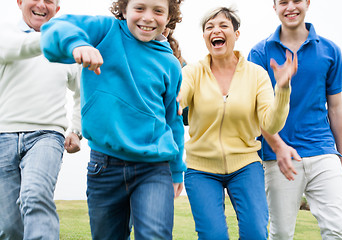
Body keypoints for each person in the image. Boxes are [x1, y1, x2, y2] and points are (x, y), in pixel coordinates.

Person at [40, 0, 186, 239]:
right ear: (125, 9)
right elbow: (55, 29)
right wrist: (77, 44)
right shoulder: (105, 31)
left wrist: (177, 169)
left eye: (158, 10)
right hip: (104, 167)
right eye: (140, 8)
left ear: (169, 16)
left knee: (155, 235)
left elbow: (174, 121)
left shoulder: (171, 65)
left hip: (154, 168)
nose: (148, 17)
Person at [180, 7, 297, 240]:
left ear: (236, 34)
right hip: (201, 168)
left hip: (245, 166)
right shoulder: (193, 73)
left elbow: (270, 124)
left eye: (223, 26)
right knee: (213, 236)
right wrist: (173, 102)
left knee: (255, 233)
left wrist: (283, 89)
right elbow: (179, 98)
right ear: (204, 37)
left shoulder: (256, 74)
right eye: (209, 27)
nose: (216, 31)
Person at [248, 0, 342, 239]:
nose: (290, 7)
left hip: (323, 151)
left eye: (296, 0)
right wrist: (278, 147)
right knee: (280, 234)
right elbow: (257, 111)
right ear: (274, 6)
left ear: (308, 2)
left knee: (338, 230)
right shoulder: (260, 53)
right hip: (279, 157)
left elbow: (336, 108)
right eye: (283, 2)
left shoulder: (330, 50)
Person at [0, 0, 82, 239]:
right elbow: (13, 49)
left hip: (47, 136)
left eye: (50, 1)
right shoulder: (6, 33)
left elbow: (82, 92)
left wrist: (76, 130)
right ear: (19, 2)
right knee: (8, 226)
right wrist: (58, 37)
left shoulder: (66, 49)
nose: (41, 5)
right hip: (3, 134)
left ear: (57, 9)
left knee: (35, 195)